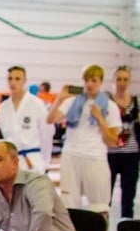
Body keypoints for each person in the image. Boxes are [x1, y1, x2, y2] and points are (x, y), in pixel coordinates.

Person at [47, 64, 121, 214]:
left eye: (93, 80)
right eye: (86, 80)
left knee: (100, 205)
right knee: (70, 204)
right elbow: (50, 119)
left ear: (100, 81)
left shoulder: (110, 106)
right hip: (71, 155)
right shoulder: (72, 102)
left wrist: (100, 118)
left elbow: (113, 141)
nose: (89, 84)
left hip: (95, 156)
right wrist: (60, 98)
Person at [0, 66, 54, 175]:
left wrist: (45, 161)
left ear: (24, 81)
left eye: (17, 79)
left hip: (33, 159)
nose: (13, 82)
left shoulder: (36, 104)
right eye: (10, 79)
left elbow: (47, 134)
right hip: (12, 161)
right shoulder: (2, 108)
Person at [108, 65, 139, 219]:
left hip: (131, 154)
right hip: (110, 153)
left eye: (125, 79)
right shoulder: (106, 100)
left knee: (128, 198)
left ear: (130, 81)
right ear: (113, 80)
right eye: (119, 79)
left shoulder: (136, 101)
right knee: (105, 197)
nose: (122, 82)